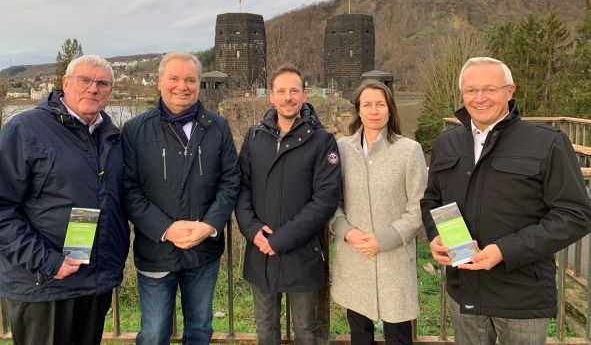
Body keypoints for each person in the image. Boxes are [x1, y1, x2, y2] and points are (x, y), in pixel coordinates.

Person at [421, 57, 591, 345]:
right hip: (464, 291)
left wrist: (505, 250)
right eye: (471, 90)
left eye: (490, 88)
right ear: (462, 94)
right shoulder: (446, 143)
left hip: (522, 295)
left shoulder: (547, 142)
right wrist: (437, 235)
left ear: (510, 91)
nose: (480, 98)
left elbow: (575, 215)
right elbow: (432, 200)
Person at [0, 55, 130, 345]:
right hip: (43, 283)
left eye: (102, 83)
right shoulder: (25, 129)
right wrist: (47, 261)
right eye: (84, 80)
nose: (93, 89)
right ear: (66, 83)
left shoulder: (111, 136)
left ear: (110, 91)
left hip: (94, 280)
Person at [121, 51, 240, 345]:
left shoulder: (217, 126)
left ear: (198, 84)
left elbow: (230, 182)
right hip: (156, 251)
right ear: (159, 81)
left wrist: (209, 225)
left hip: (204, 251)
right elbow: (129, 190)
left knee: (200, 329)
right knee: (153, 334)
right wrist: (166, 229)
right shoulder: (136, 130)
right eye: (174, 78)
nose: (182, 86)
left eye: (190, 79)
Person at [235, 63, 341, 345]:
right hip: (261, 252)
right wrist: (253, 231)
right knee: (265, 331)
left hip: (302, 253)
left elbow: (325, 199)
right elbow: (241, 188)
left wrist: (280, 240)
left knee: (307, 331)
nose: (288, 97)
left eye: (294, 90)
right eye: (281, 91)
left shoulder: (322, 141)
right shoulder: (254, 137)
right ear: (271, 96)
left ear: (304, 94)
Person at [330, 80, 427, 345]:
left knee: (398, 335)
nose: (374, 111)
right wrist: (346, 232)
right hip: (355, 256)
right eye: (367, 105)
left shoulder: (409, 151)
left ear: (390, 109)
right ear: (358, 111)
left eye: (380, 104)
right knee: (359, 334)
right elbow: (330, 202)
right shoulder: (341, 150)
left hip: (394, 257)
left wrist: (384, 240)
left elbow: (418, 205)